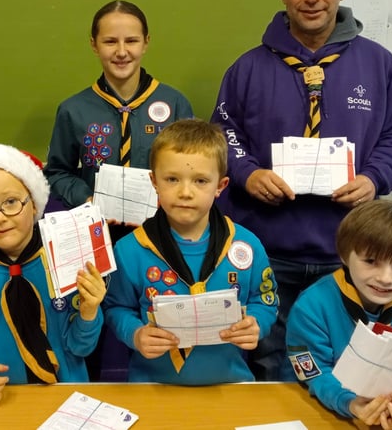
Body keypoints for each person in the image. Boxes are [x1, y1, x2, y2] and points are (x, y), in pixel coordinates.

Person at [210, 0, 392, 381]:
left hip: (349, 254)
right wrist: (247, 174)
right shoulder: (247, 68)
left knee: (345, 370)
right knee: (268, 364)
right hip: (265, 251)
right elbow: (223, 136)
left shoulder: (380, 66)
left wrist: (374, 178)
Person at [103, 119, 278, 384]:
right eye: (172, 179)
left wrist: (256, 323)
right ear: (154, 181)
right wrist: (136, 334)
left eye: (200, 181)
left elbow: (265, 300)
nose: (185, 192)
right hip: (152, 388)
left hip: (230, 386)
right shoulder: (131, 249)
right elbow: (116, 308)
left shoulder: (246, 245)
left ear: (221, 186)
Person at [0, 143, 106, 406]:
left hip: (68, 400)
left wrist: (89, 312)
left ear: (35, 203)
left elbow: (81, 348)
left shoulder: (67, 263)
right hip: (2, 401)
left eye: (11, 202)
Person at [44, 0, 194, 233]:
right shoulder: (73, 110)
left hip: (163, 230)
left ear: (146, 43)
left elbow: (192, 168)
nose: (122, 52)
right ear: (94, 45)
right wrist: (86, 200)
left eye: (132, 41)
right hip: (98, 230)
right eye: (110, 41)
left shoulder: (175, 104)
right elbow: (56, 172)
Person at [285, 199, 392, 429]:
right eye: (371, 261)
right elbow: (314, 373)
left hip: (381, 413)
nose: (385, 278)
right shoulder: (312, 306)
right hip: (317, 406)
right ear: (344, 255)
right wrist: (351, 404)